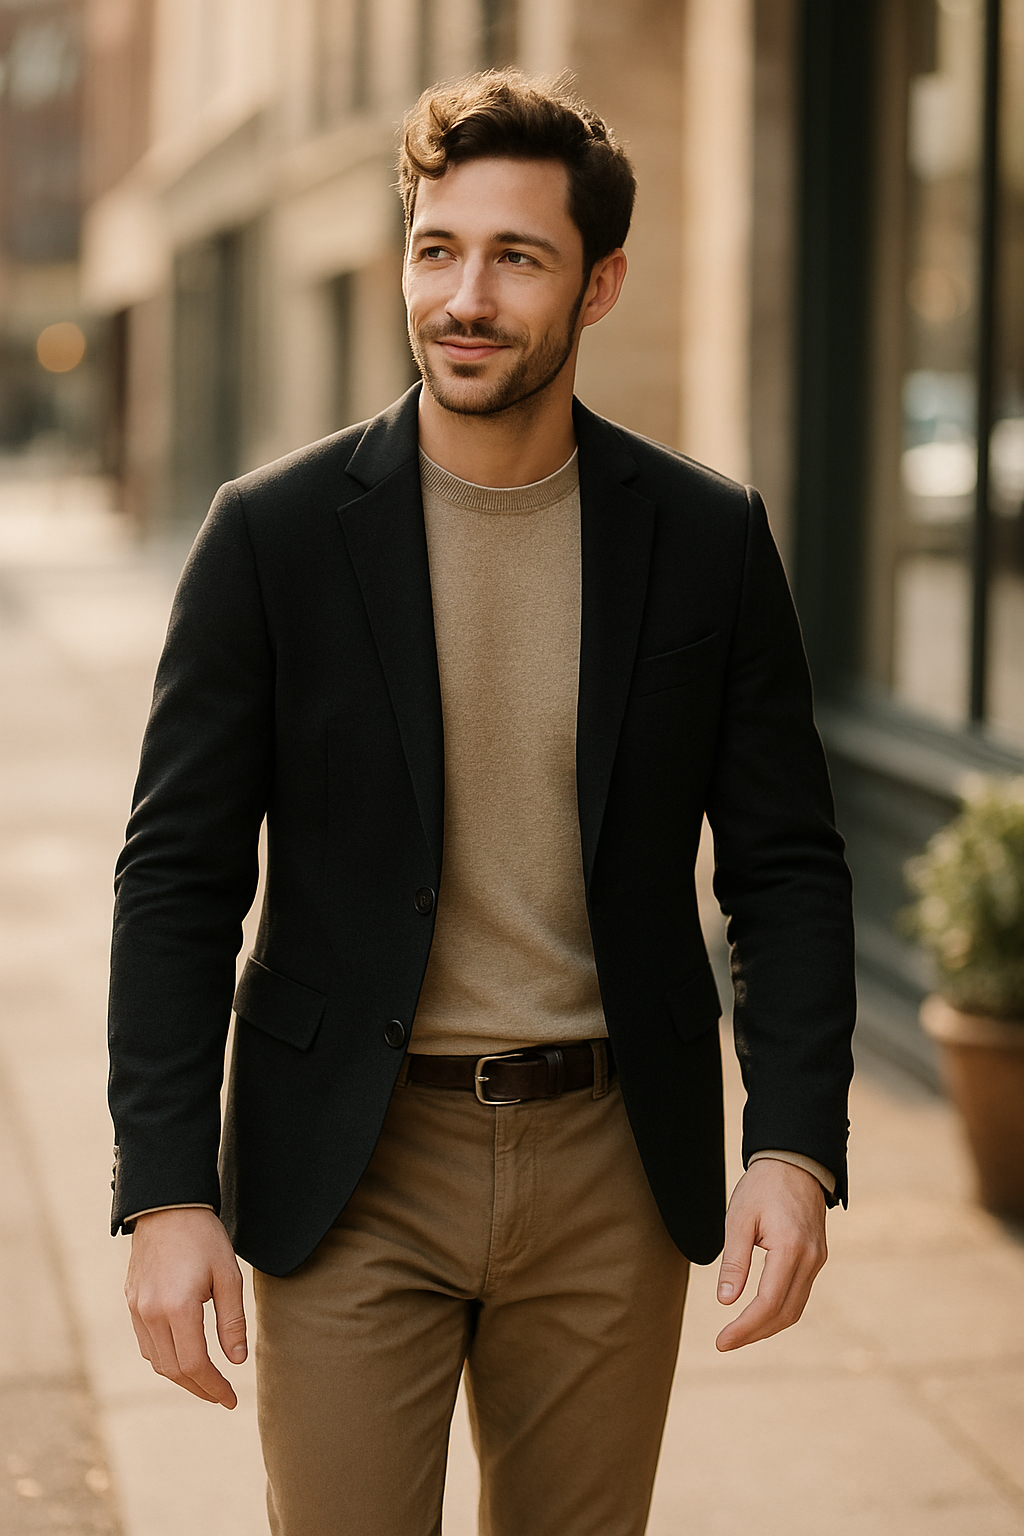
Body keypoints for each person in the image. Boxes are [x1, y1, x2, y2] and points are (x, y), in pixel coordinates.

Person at [109, 70, 855, 1536]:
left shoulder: (707, 542)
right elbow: (179, 876)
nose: (464, 295)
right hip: (352, 1158)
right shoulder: (272, 538)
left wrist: (794, 1143)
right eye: (436, 248)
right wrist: (164, 1188)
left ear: (601, 285)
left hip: (608, 1158)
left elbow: (786, 865)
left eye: (517, 258)